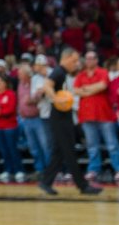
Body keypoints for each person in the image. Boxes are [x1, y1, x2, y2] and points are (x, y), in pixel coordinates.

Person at [37, 48, 102, 195]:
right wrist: (55, 98)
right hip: (59, 118)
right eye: (74, 60)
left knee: (59, 152)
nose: (77, 63)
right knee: (69, 151)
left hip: (63, 116)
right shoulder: (59, 71)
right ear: (65, 59)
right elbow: (47, 85)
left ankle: (46, 182)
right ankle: (83, 186)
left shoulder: (63, 72)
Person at [74, 50, 119, 182]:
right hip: (87, 115)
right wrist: (92, 89)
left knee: (112, 144)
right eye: (87, 58)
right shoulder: (80, 75)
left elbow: (102, 86)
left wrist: (86, 89)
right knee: (92, 146)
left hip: (104, 114)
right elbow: (76, 91)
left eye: (92, 58)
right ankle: (93, 169)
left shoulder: (103, 72)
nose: (89, 61)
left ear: (97, 60)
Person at [0, 74, 23, 183]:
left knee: (12, 149)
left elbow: (10, 109)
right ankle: (8, 170)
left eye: (1, 82)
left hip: (10, 126)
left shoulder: (10, 94)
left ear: (6, 83)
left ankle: (18, 170)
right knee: (3, 150)